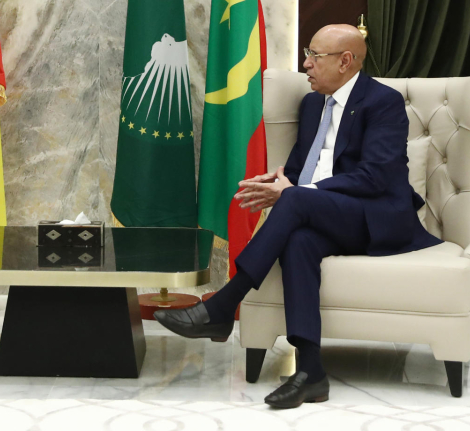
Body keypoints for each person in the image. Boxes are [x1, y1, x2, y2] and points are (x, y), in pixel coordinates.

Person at [155, 24, 441, 408]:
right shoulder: (310, 105)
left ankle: (224, 304)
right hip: (323, 215)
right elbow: (299, 169)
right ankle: (311, 372)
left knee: (294, 202)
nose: (305, 64)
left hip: (375, 218)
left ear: (345, 61)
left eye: (314, 56)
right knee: (299, 240)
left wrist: (295, 193)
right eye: (307, 53)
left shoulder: (382, 102)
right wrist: (278, 180)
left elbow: (375, 176)